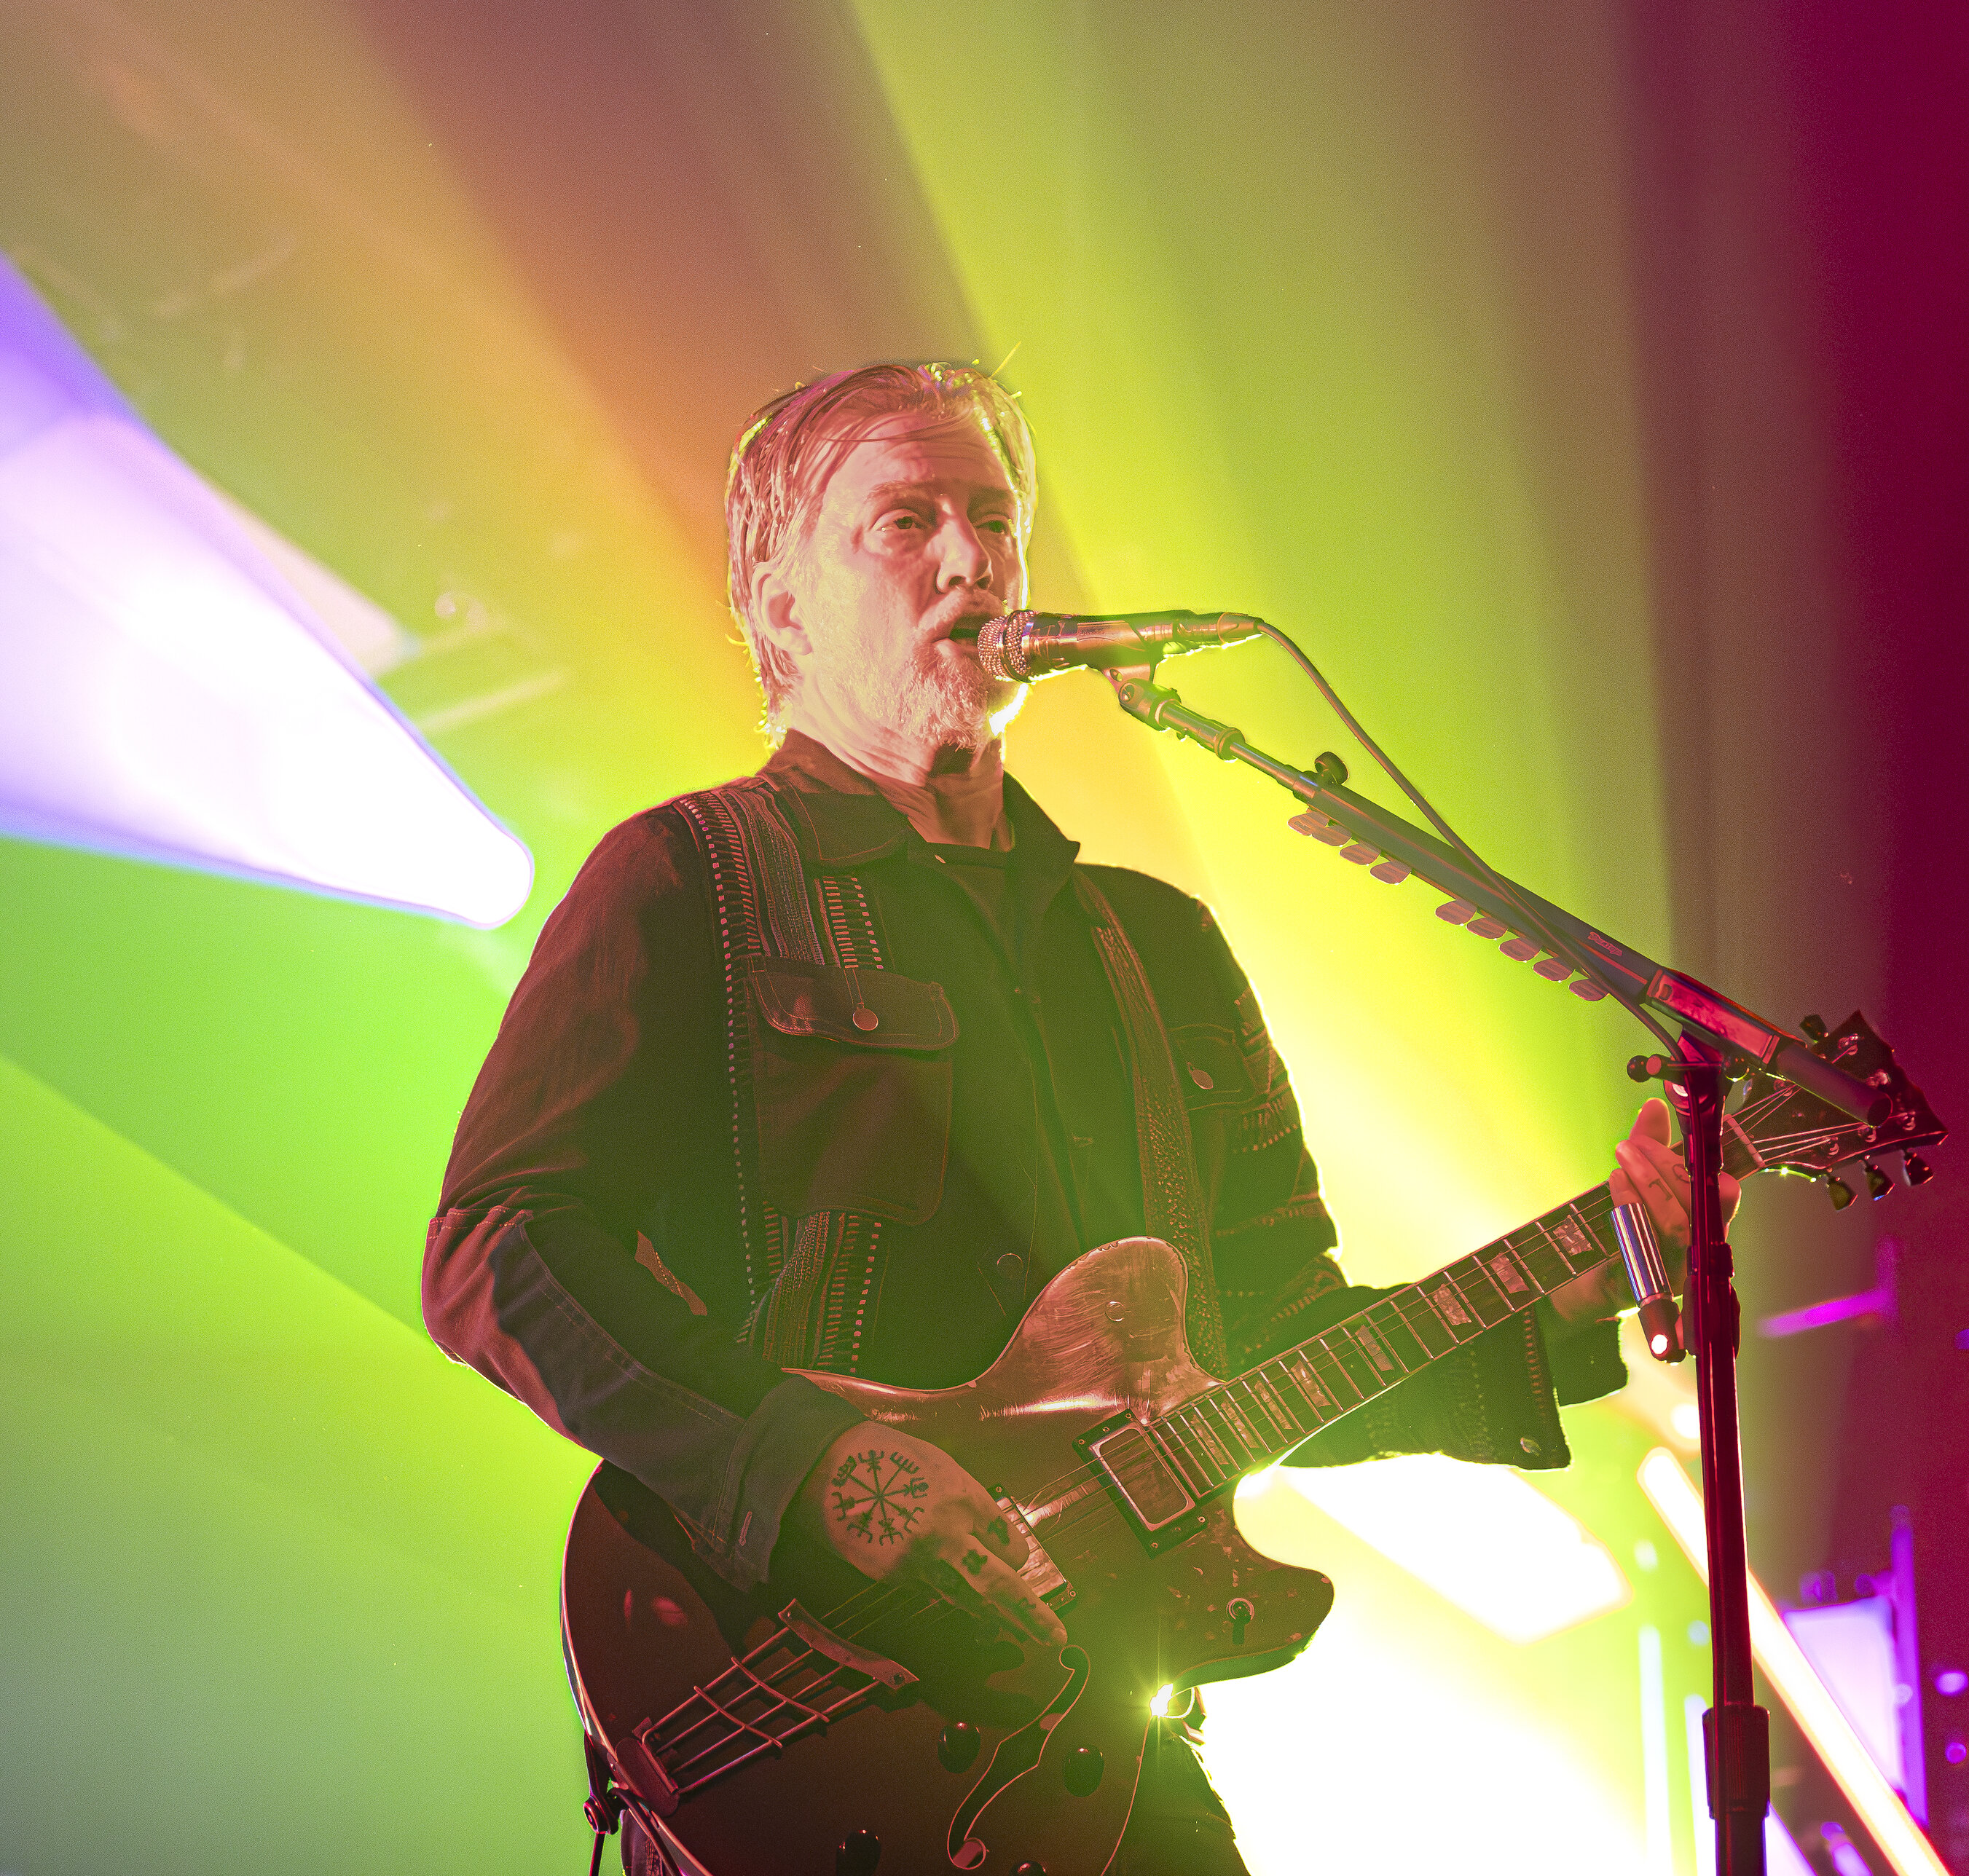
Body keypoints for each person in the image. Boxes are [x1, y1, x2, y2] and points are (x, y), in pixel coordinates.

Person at [423, 361, 1728, 1876]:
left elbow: (1267, 1334)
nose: (972, 559)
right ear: (781, 603)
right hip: (786, 1693)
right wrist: (814, 1467)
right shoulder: (690, 881)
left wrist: (1564, 1296)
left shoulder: (1158, 948)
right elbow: (497, 1245)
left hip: (1096, 1742)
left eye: (995, 519)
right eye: (906, 521)